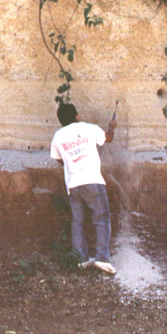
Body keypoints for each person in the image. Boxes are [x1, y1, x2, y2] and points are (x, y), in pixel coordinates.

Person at [50, 101, 117, 275]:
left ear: (61, 121)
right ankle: (102, 259)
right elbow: (107, 139)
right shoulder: (88, 128)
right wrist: (112, 127)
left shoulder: (58, 136)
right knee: (101, 219)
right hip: (92, 180)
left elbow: (59, 159)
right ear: (77, 116)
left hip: (73, 185)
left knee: (77, 222)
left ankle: (81, 259)